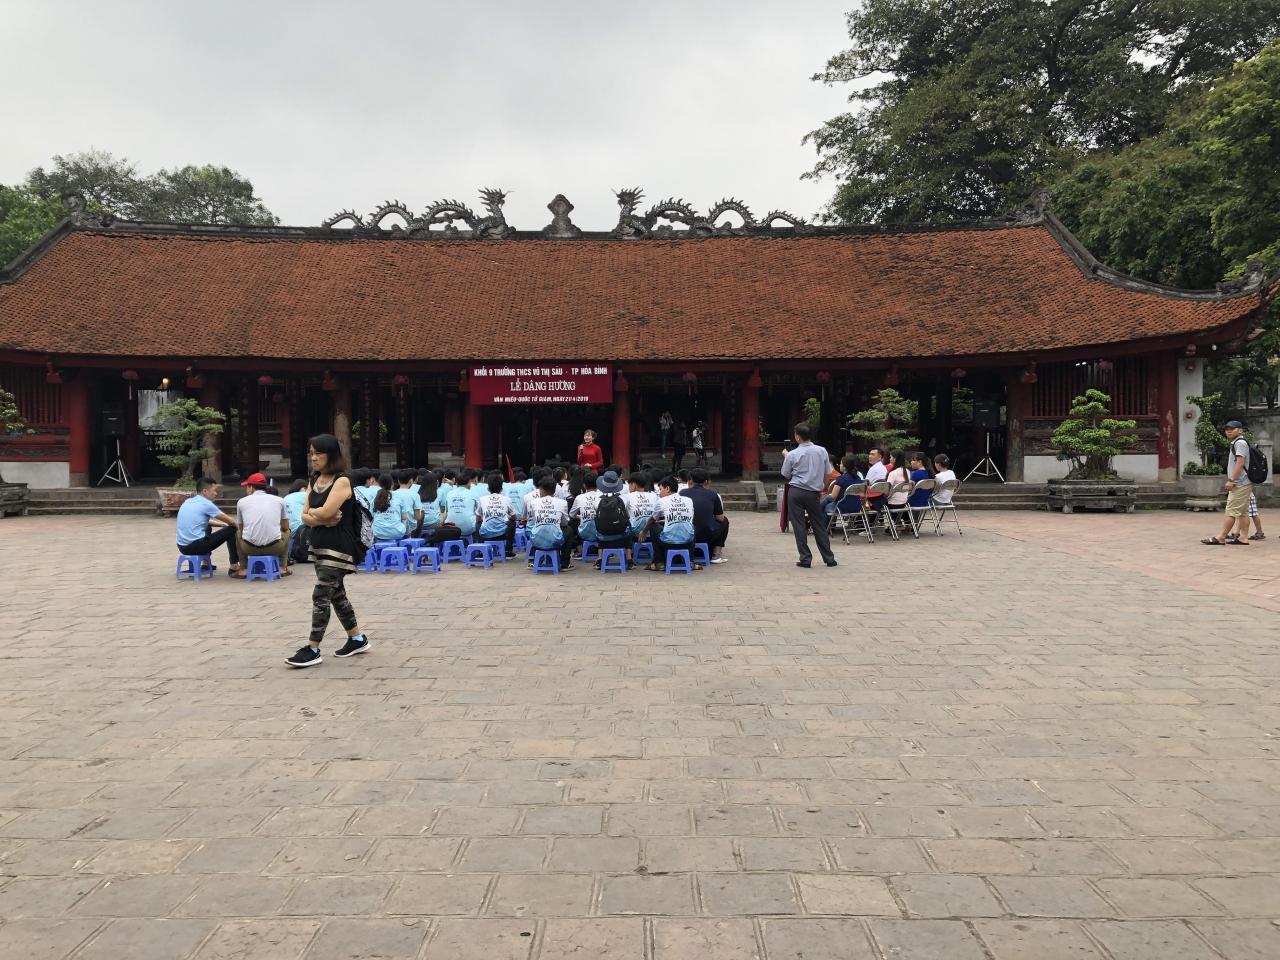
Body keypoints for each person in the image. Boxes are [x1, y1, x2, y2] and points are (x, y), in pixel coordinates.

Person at [288, 433, 368, 668]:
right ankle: (357, 639)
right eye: (311, 453)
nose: (313, 458)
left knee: (321, 594)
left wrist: (316, 515)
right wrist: (319, 517)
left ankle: (313, 648)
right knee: (336, 594)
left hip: (339, 547)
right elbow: (306, 515)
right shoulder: (314, 479)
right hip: (319, 544)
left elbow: (323, 512)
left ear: (331, 455)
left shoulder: (342, 481)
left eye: (318, 453)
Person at [781, 422, 837, 568]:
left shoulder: (792, 454)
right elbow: (828, 472)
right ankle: (829, 558)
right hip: (814, 492)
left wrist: (787, 456)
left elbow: (786, 474)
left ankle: (805, 558)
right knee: (818, 524)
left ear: (797, 437)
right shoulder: (822, 451)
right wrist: (822, 486)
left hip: (796, 491)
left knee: (799, 525)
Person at [176, 476, 241, 575]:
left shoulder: (188, 501)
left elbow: (200, 521)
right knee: (232, 529)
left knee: (207, 527)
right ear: (205, 491)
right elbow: (231, 521)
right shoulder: (206, 504)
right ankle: (234, 565)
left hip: (182, 547)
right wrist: (240, 529)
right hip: (196, 547)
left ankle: (206, 563)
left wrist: (221, 524)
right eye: (214, 491)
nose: (216, 493)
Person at [1203, 420, 1254, 545]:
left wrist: (1231, 480)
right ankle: (1243, 537)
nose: (1229, 431)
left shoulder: (1240, 443)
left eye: (1232, 429)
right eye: (1227, 429)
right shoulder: (1238, 442)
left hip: (1240, 483)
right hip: (1244, 482)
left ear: (1240, 430)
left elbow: (1240, 463)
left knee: (1231, 511)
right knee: (1243, 512)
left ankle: (1221, 537)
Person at [233, 472, 291, 578]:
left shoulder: (241, 502)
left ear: (251, 487)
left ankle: (243, 569)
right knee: (287, 532)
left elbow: (241, 528)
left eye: (247, 487)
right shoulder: (280, 500)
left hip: (249, 548)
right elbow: (286, 527)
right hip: (275, 547)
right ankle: (282, 567)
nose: (246, 489)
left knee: (238, 533)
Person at [646, 474, 702, 571]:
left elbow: (652, 519)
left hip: (668, 542)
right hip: (688, 541)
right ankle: (690, 561)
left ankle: (659, 562)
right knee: (691, 526)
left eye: (660, 489)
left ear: (667, 488)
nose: (659, 493)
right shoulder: (688, 500)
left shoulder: (662, 501)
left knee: (654, 526)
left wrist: (643, 531)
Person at [526, 475, 576, 569]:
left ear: (542, 490)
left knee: (536, 528)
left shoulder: (534, 502)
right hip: (555, 540)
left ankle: (535, 560)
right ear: (554, 490)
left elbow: (534, 520)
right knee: (569, 530)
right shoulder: (562, 503)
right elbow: (565, 523)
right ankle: (565, 563)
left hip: (536, 540)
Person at [681, 468, 729, 563]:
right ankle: (716, 554)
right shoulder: (713, 494)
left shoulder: (682, 493)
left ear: (690, 480)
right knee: (725, 521)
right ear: (706, 481)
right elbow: (720, 518)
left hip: (685, 534)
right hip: (706, 535)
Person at [592, 470, 634, 565]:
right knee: (628, 525)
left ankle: (600, 558)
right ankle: (629, 558)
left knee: (600, 526)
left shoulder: (597, 500)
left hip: (603, 538)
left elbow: (598, 517)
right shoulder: (624, 499)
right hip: (622, 538)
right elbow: (627, 515)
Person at [476, 472, 517, 558]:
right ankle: (508, 550)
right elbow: (514, 517)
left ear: (488, 489)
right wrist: (507, 518)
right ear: (502, 489)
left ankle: (481, 550)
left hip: (485, 534)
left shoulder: (482, 499)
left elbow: (478, 518)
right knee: (513, 522)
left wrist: (486, 519)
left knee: (478, 523)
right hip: (502, 534)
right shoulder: (507, 499)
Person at [371, 473, 408, 543]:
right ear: (392, 484)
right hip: (397, 532)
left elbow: (371, 517)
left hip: (377, 533)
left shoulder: (374, 498)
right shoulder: (400, 497)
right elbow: (404, 517)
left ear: (379, 485)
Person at [445, 471, 479, 540]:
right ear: (469, 482)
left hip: (451, 528)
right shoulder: (473, 494)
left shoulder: (449, 493)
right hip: (468, 529)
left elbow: (447, 511)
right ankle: (477, 542)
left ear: (456, 483)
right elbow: (480, 512)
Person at [626, 472, 658, 542]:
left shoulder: (629, 496)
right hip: (651, 532)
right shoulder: (654, 495)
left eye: (629, 484)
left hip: (635, 533)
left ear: (633, 484)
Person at [393, 469, 423, 538]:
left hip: (396, 526)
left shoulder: (393, 493)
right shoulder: (415, 495)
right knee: (422, 513)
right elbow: (417, 516)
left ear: (398, 481)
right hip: (410, 528)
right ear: (411, 481)